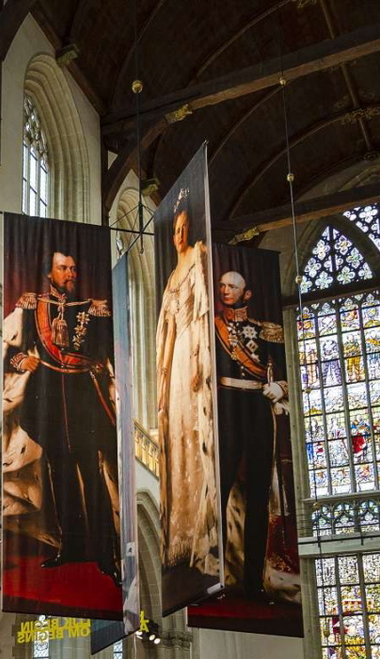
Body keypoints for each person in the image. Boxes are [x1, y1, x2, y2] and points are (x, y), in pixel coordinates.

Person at [2, 249, 120, 581]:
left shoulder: (93, 309)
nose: (70, 274)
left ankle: (105, 554)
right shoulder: (32, 307)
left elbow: (106, 349)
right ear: (49, 273)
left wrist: (101, 364)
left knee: (92, 475)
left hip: (83, 396)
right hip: (49, 395)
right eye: (63, 268)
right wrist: (21, 360)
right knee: (60, 474)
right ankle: (71, 547)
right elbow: (12, 350)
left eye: (73, 268)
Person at [156, 189, 219, 582]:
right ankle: (178, 532)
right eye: (175, 230)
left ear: (190, 229)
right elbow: (167, 329)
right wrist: (162, 375)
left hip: (193, 349)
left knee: (196, 432)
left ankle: (200, 525)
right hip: (175, 354)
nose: (179, 235)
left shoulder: (198, 256)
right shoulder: (170, 278)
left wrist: (198, 358)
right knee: (178, 436)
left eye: (183, 228)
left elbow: (202, 312)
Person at [214, 268, 290, 595]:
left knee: (258, 495)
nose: (225, 290)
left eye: (232, 286)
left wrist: (279, 386)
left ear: (246, 294)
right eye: (222, 285)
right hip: (225, 407)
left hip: (257, 408)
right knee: (219, 490)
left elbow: (288, 370)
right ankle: (214, 576)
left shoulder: (266, 330)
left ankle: (253, 583)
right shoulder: (211, 327)